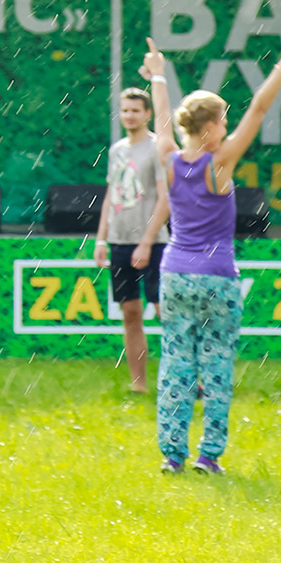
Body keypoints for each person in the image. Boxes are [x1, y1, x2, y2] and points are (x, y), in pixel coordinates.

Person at [142, 30, 281, 476]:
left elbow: (160, 122)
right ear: (211, 127)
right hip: (217, 277)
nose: (228, 128)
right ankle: (208, 456)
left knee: (175, 364)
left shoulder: (170, 159)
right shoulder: (219, 164)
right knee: (215, 368)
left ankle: (171, 454)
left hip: (174, 273)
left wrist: (159, 76)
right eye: (224, 121)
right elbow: (260, 107)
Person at [93, 85, 170, 395]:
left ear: (148, 114)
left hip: (154, 243)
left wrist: (147, 241)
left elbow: (165, 198)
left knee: (167, 312)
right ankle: (139, 385)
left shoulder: (157, 149)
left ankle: (191, 381)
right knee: (130, 314)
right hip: (119, 241)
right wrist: (101, 239)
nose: (129, 115)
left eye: (135, 110)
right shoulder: (117, 150)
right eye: (125, 110)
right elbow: (112, 195)